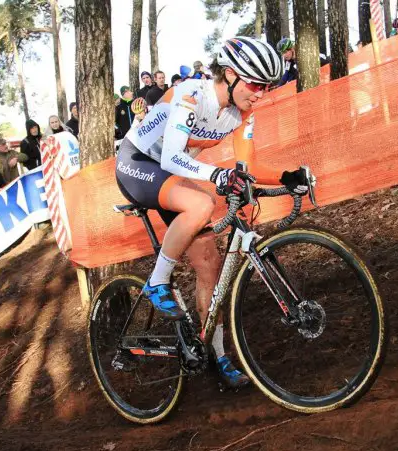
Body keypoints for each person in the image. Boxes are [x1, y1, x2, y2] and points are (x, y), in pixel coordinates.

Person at [115, 36, 310, 388]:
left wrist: (287, 175)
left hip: (171, 173)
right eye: (255, 84)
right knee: (203, 203)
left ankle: (215, 355)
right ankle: (156, 282)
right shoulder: (192, 94)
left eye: (266, 87)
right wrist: (216, 175)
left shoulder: (241, 112)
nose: (260, 93)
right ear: (231, 74)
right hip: (138, 163)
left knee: (210, 268)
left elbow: (246, 165)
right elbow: (172, 155)